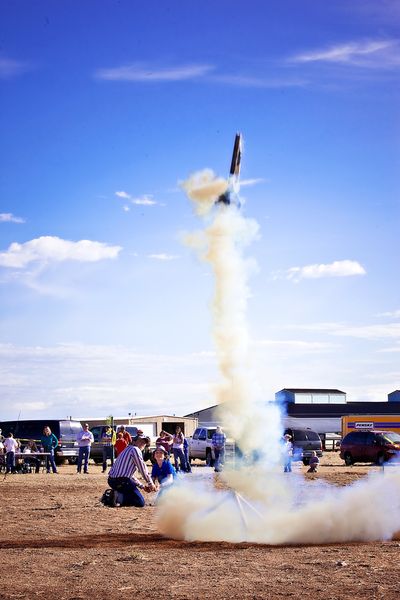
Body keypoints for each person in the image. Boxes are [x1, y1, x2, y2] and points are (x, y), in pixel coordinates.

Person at [107, 434, 156, 507]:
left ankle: (115, 495)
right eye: (141, 441)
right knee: (140, 502)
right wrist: (150, 483)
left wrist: (142, 486)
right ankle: (118, 497)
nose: (143, 444)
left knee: (132, 495)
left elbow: (129, 475)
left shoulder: (127, 449)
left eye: (144, 442)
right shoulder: (135, 449)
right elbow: (142, 468)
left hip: (112, 481)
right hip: (121, 481)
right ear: (134, 442)